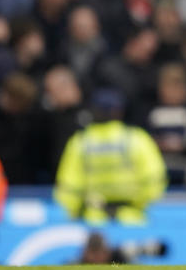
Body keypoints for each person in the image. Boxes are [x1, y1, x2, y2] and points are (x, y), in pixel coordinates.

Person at [54, 88, 167, 225]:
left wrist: (72, 214)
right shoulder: (136, 138)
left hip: (92, 220)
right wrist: (142, 205)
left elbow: (68, 187)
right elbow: (154, 179)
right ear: (118, 111)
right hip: (132, 220)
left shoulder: (80, 142)